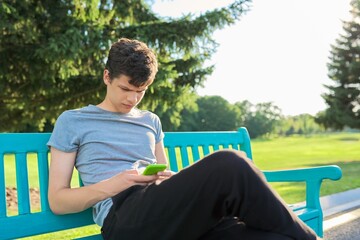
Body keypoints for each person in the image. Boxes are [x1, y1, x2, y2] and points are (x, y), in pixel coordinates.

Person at [47, 38, 320, 240]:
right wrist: (117, 183)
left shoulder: (150, 120)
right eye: (126, 88)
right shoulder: (73, 121)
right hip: (125, 218)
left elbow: (163, 175)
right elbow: (58, 202)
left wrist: (172, 178)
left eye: (141, 91)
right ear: (107, 76)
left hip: (169, 214)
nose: (132, 99)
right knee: (230, 163)